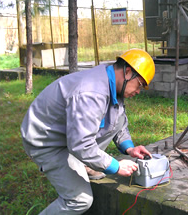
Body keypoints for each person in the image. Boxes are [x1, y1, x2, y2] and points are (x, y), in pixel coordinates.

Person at [20, 49, 157, 214]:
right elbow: (81, 144)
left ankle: (85, 163)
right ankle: (84, 163)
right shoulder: (91, 93)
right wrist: (115, 166)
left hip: (68, 136)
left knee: (112, 121)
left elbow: (118, 122)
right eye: (140, 85)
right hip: (46, 141)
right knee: (80, 200)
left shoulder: (112, 82)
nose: (138, 91)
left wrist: (129, 148)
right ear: (127, 72)